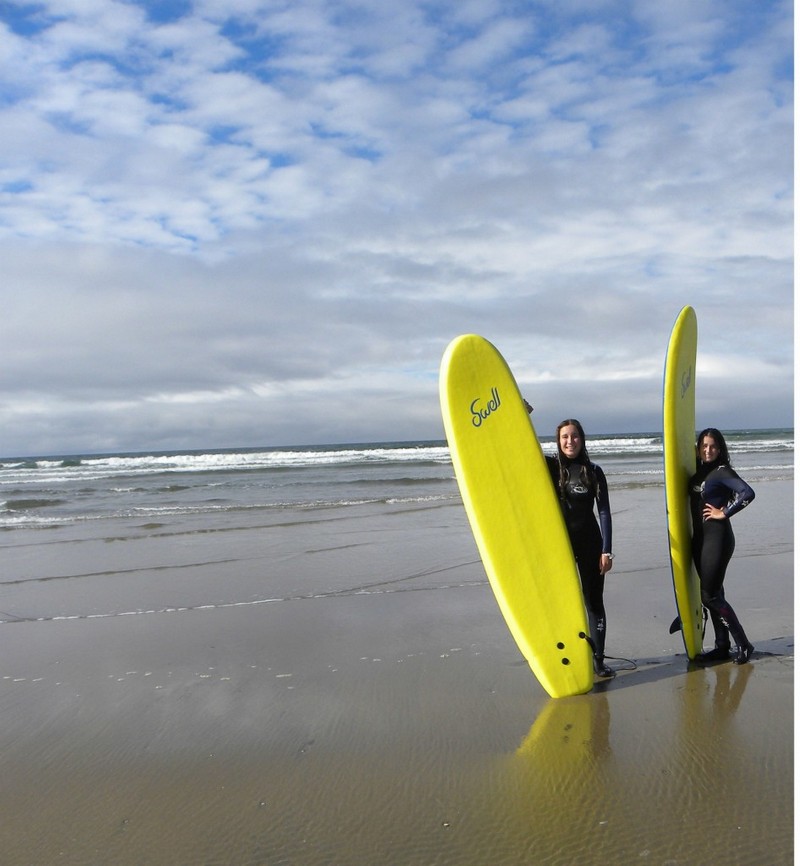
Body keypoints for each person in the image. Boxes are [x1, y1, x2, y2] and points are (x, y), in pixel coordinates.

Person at [545, 419, 615, 678]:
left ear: (582, 439)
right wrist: (519, 411)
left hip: (590, 543)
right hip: (560, 547)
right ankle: (568, 656)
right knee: (562, 603)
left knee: (594, 603)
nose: (570, 441)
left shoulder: (593, 471)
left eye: (574, 436)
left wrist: (606, 550)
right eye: (564, 437)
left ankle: (597, 660)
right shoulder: (551, 467)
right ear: (558, 440)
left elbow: (604, 511)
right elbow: (521, 445)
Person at [689, 427, 755, 665]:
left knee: (710, 596)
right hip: (701, 539)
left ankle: (744, 644)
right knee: (716, 592)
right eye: (704, 446)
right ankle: (722, 646)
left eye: (713, 446)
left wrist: (724, 512)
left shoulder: (721, 471)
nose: (708, 450)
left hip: (718, 538)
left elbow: (747, 493)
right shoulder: (699, 472)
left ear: (720, 449)